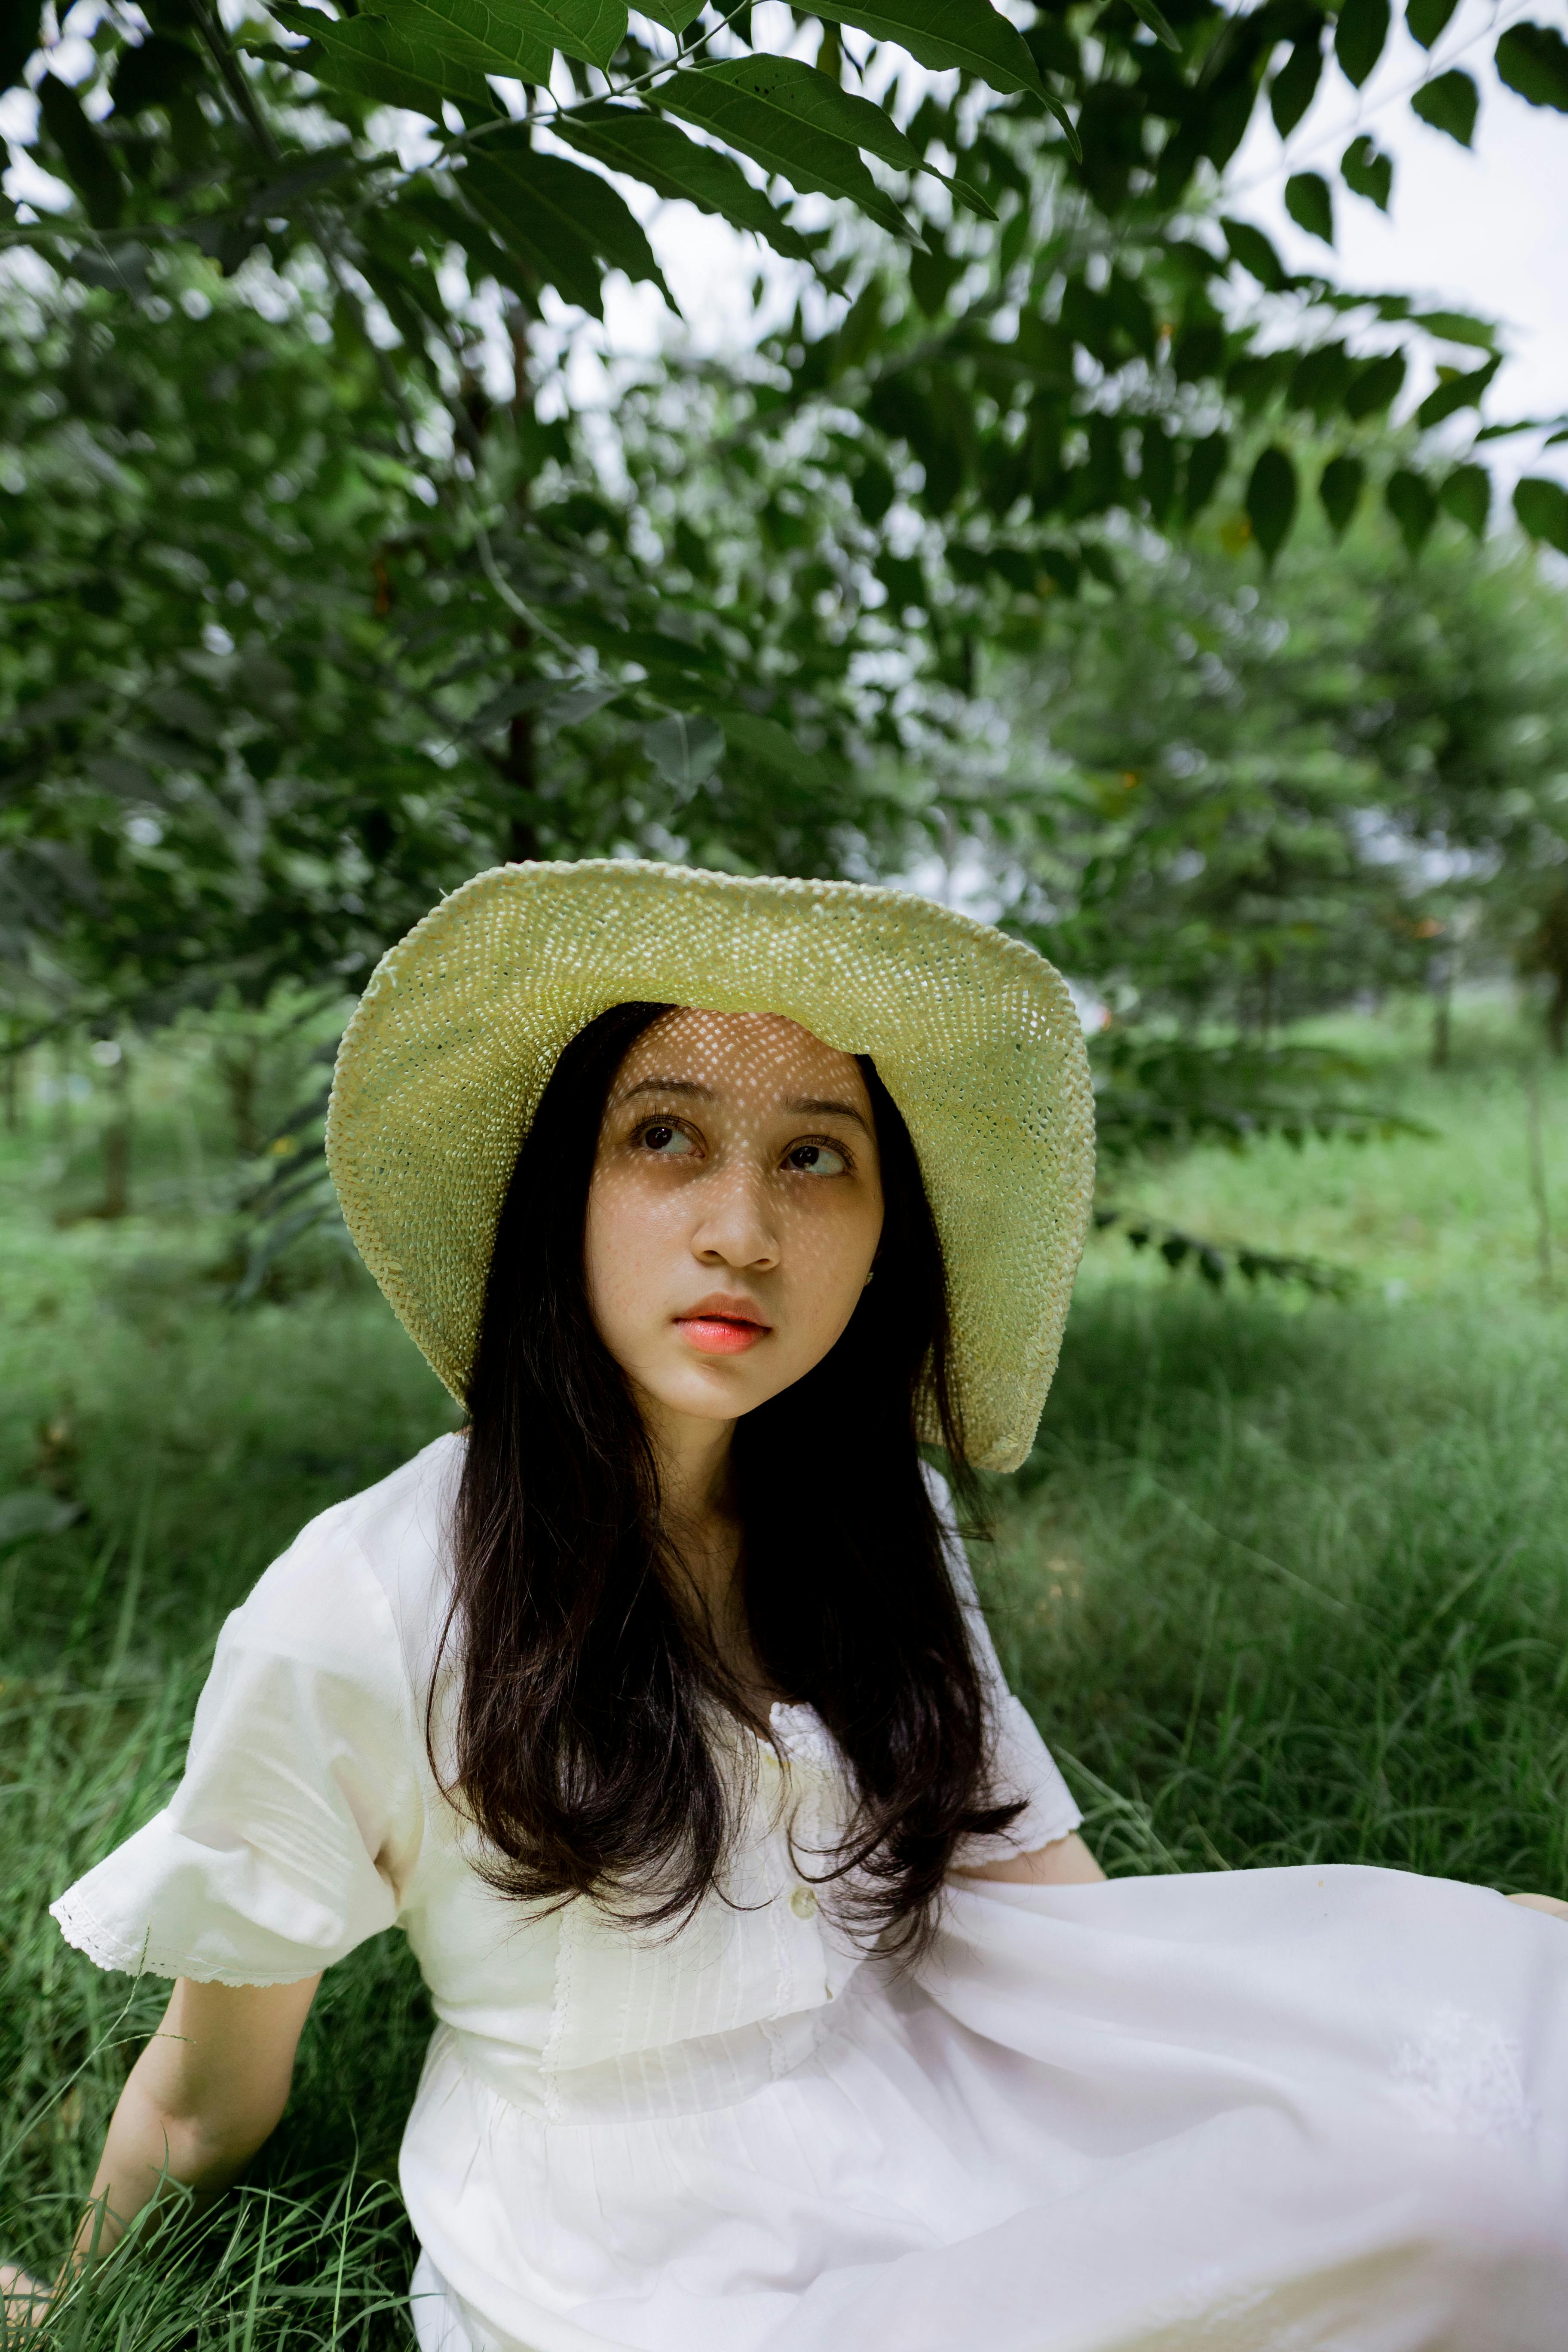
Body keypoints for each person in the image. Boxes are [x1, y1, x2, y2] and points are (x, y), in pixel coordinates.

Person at [9, 858, 1568, 2352]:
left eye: (816, 1156)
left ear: (887, 1234)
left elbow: (1056, 1917)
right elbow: (213, 2095)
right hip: (637, 2260)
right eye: (666, 1138)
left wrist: (1392, 2001)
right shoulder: (363, 1603)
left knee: (1486, 2172)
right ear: (563, 1189)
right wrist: (75, 2309)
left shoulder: (886, 1524)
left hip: (938, 2111)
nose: (742, 1231)